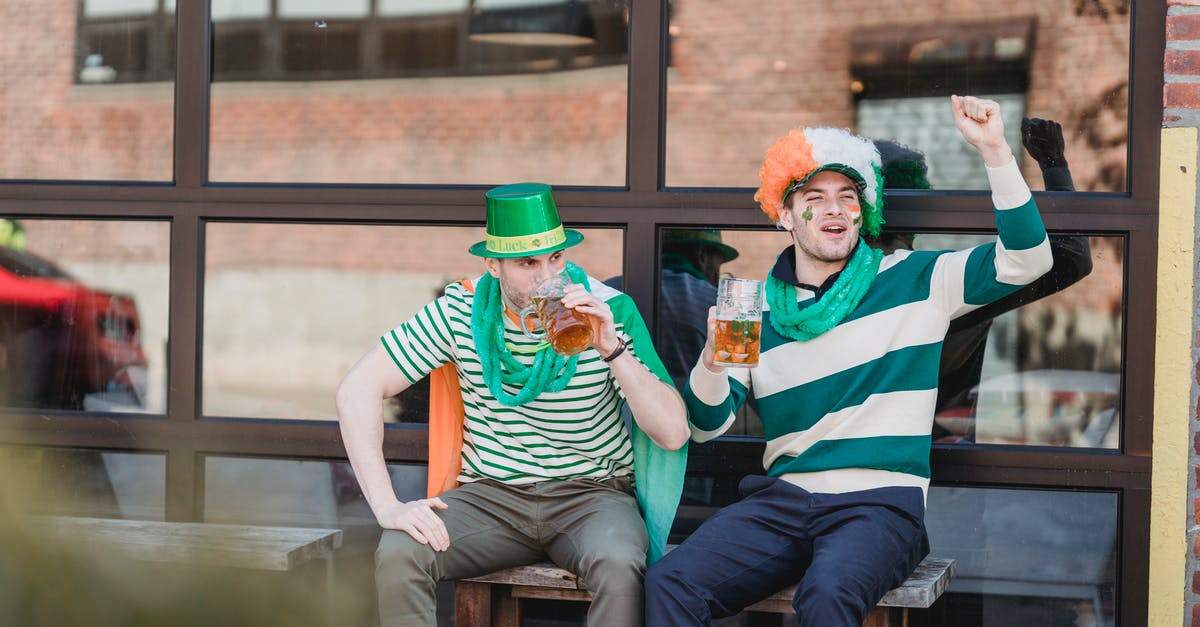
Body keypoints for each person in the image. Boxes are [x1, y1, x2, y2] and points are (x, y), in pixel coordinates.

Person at [643, 95, 1054, 625]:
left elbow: (1028, 259)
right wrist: (713, 355)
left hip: (881, 504)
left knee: (828, 592)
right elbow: (704, 426)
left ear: (864, 210)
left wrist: (995, 150)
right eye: (813, 196)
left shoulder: (915, 278)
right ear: (784, 216)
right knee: (670, 582)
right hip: (783, 500)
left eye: (847, 195)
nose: (834, 207)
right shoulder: (757, 309)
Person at [336, 182, 690, 627]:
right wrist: (387, 506)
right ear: (493, 264)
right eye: (527, 263)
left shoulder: (609, 310)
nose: (547, 278)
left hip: (592, 494)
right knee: (400, 551)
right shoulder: (460, 311)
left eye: (556, 258)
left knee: (618, 563)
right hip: (492, 497)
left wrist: (610, 348)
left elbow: (673, 432)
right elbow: (356, 390)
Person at [872, 118, 1094, 442]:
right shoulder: (947, 283)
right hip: (947, 457)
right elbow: (1072, 258)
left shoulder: (830, 291)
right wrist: (1054, 165)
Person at [606, 229, 739, 391]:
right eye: (718, 263)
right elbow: (735, 376)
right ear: (703, 256)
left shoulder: (608, 293)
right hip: (690, 412)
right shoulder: (718, 303)